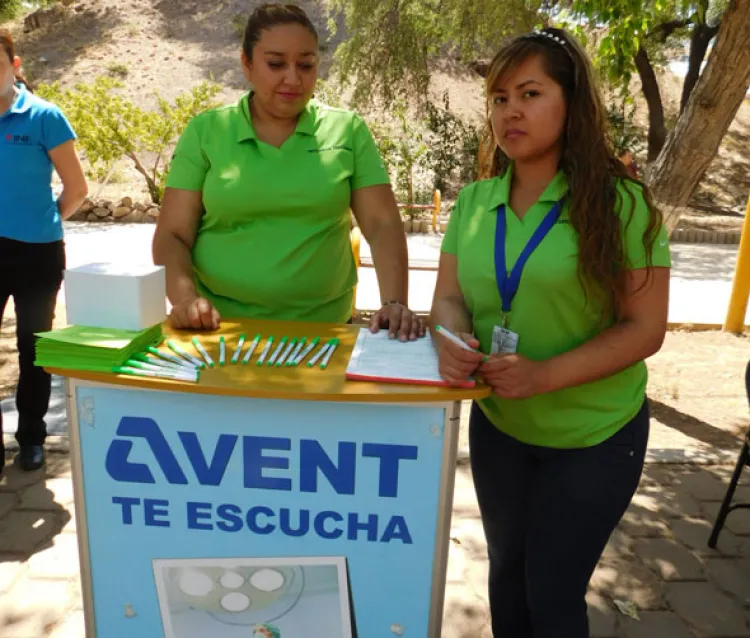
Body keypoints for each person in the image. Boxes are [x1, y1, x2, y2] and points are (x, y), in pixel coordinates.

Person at [430, 28, 670, 637]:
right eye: (500, 97)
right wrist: (451, 339)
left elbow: (644, 330)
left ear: (571, 103)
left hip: (594, 436)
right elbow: (451, 299)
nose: (511, 110)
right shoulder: (474, 202)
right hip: (501, 430)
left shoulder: (620, 204)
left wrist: (543, 376)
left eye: (530, 93)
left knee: (553, 594)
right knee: (506, 581)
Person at [153, 3, 424, 339]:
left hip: (325, 333)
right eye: (276, 63)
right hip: (218, 330)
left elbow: (382, 225)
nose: (293, 78)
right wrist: (186, 300)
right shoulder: (207, 132)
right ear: (246, 64)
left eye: (306, 65)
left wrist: (395, 302)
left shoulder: (347, 131)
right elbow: (172, 235)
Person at [0, 29, 88, 473]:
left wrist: (42, 219)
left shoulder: (44, 116)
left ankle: (32, 438)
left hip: (36, 251)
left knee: (34, 347)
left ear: (14, 66)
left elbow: (76, 189)